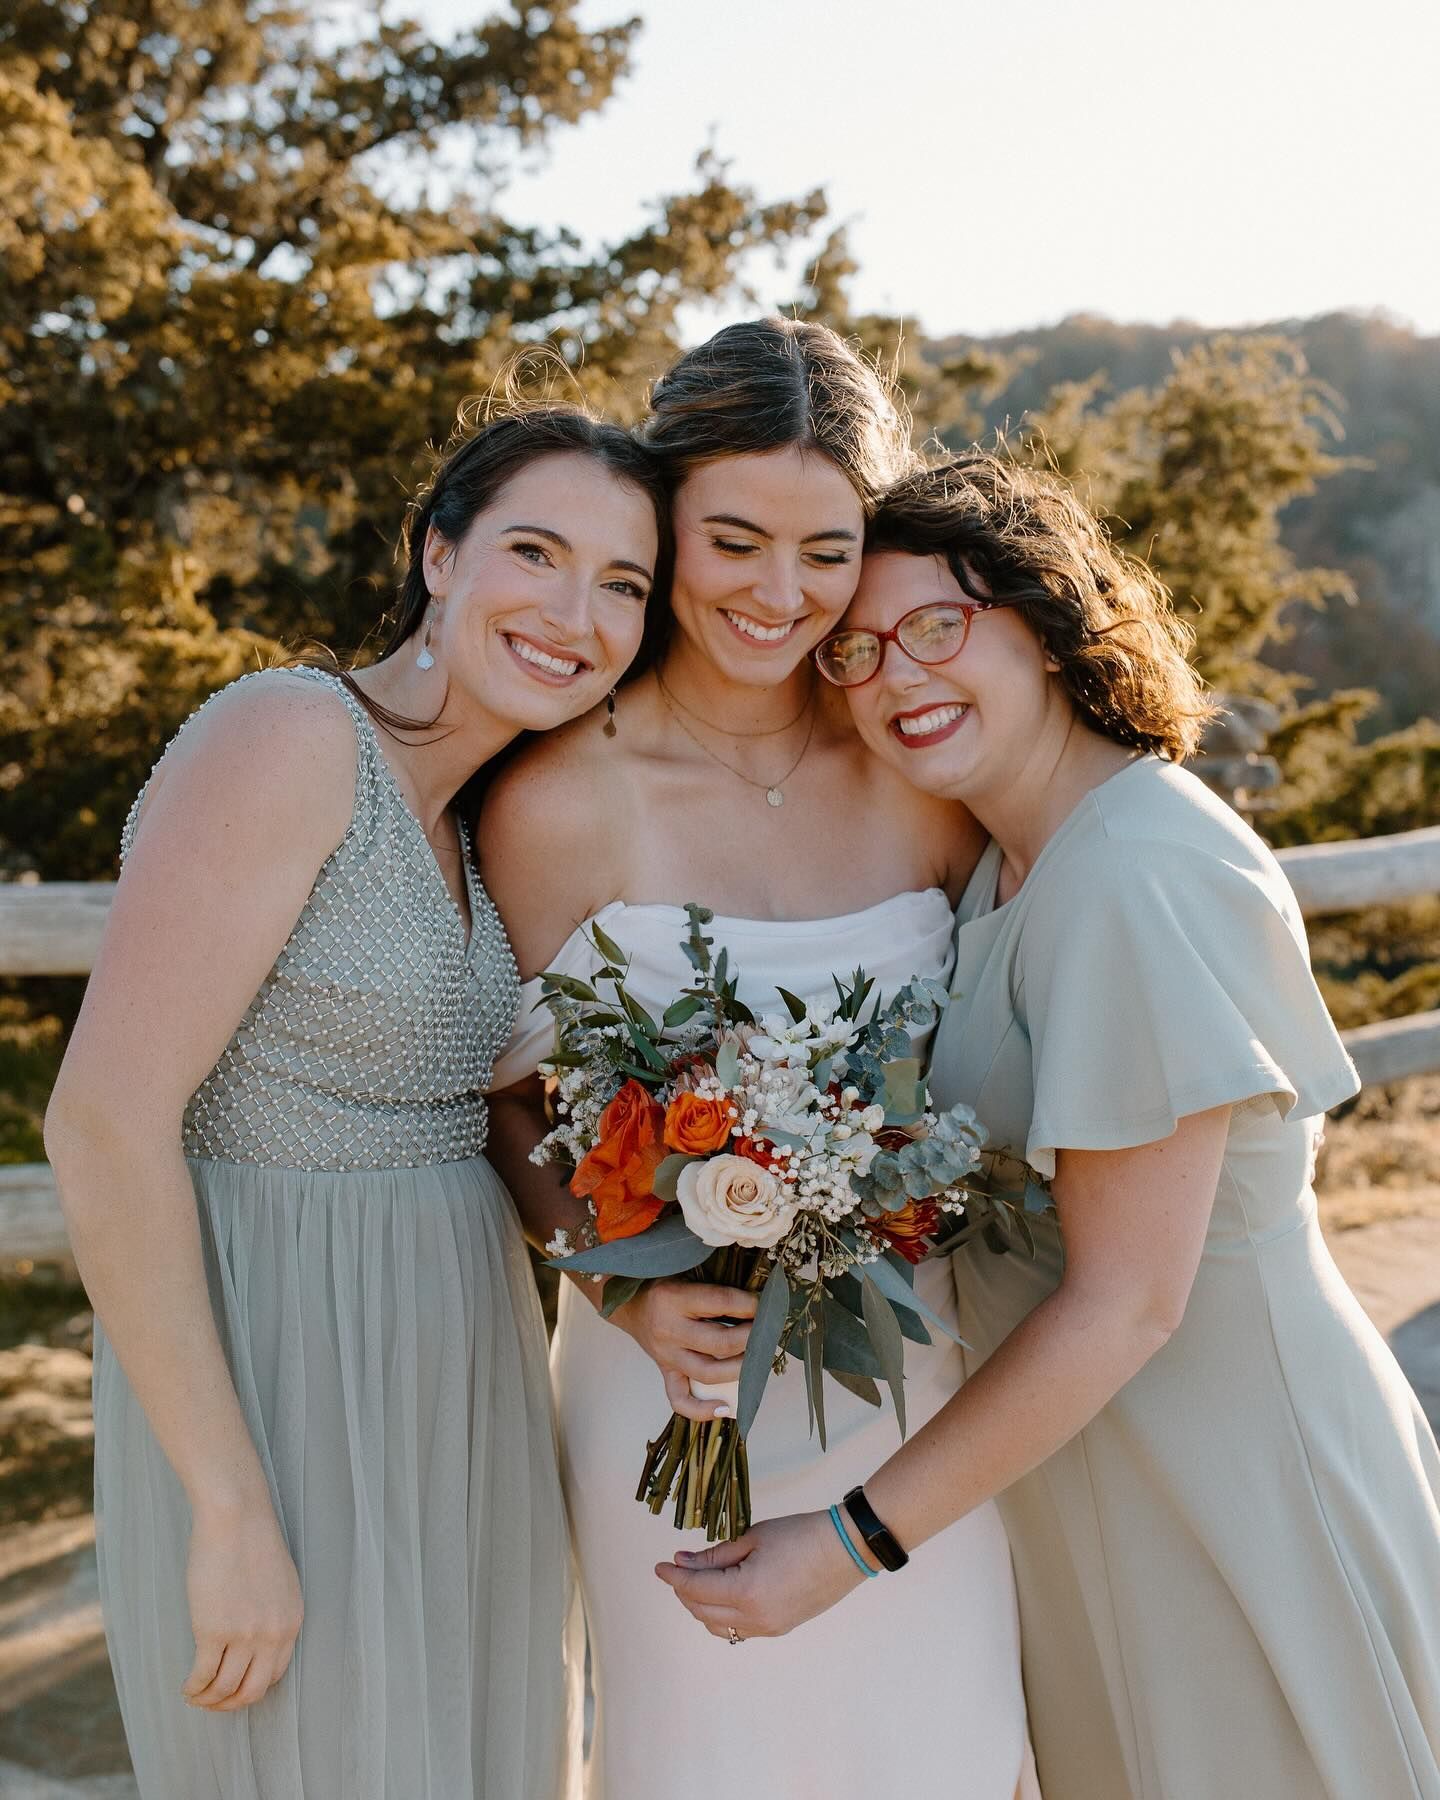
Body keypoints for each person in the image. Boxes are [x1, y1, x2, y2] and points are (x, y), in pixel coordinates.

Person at [657, 450, 1440, 1800]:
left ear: (1047, 619)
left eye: (941, 627)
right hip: (1092, 1477)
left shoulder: (1135, 869)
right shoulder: (1013, 862)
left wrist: (845, 1544)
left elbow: (1130, 1301)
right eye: (857, 653)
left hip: (1229, 1474)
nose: (900, 677)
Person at [43, 404, 667, 1800]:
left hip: (461, 1379)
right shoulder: (288, 737)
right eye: (536, 551)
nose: (578, 611)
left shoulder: (482, 812)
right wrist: (227, 1506)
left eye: (624, 584)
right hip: (278, 1370)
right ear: (438, 554)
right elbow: (99, 1125)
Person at [483, 323, 1039, 1800]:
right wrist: (618, 1285)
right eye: (734, 541)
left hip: (922, 1388)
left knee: (948, 1751)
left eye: (826, 551)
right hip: (673, 1401)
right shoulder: (554, 798)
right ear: (665, 522)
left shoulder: (925, 777)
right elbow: (507, 1104)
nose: (779, 596)